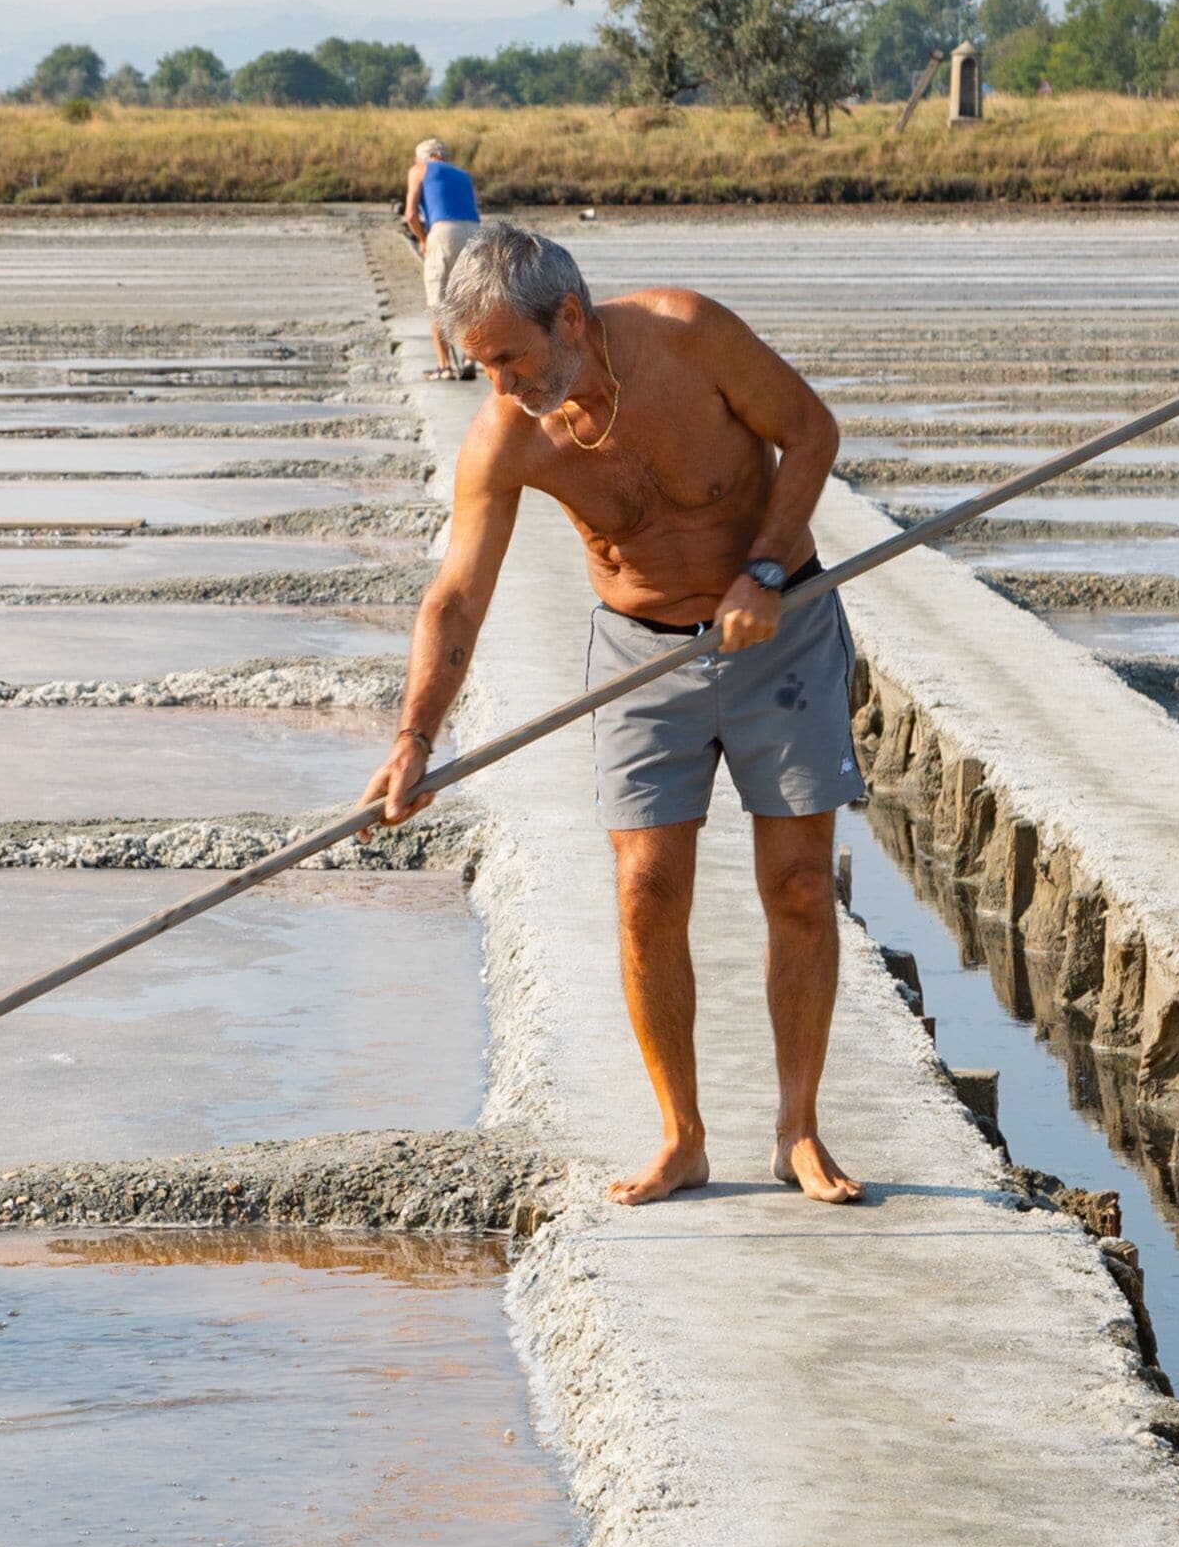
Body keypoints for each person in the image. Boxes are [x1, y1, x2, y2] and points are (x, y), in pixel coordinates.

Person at [365, 221, 867, 1207]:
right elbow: (455, 599)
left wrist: (764, 569)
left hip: (782, 630)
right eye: (483, 368)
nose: (500, 386)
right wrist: (413, 738)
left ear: (572, 319)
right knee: (645, 890)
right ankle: (681, 1136)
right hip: (639, 660)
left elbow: (811, 432)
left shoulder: (689, 335)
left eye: (510, 359)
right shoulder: (507, 434)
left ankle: (798, 1128)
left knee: (801, 886)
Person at [401, 139, 484, 379]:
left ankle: (445, 366)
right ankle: (470, 355)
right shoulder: (463, 174)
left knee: (437, 301)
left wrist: (424, 239)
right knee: (469, 299)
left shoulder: (420, 169)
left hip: (443, 231)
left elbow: (410, 214)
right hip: (474, 232)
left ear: (425, 156)